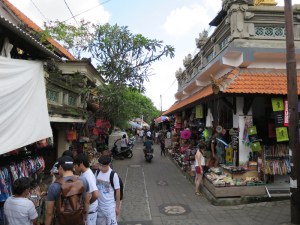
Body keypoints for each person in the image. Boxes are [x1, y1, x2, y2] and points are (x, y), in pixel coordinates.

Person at [45, 156, 90, 225]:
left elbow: (49, 213)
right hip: (79, 220)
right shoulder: (83, 181)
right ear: (73, 167)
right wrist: (85, 218)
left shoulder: (54, 186)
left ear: (60, 168)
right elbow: (87, 202)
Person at [74, 153, 100, 225]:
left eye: (75, 165)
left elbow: (96, 195)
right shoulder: (84, 173)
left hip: (90, 211)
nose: (74, 167)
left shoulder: (88, 176)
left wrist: (87, 203)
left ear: (81, 164)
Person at [96, 155, 120, 225]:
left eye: (104, 166)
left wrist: (117, 207)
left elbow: (118, 191)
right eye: (100, 165)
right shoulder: (97, 172)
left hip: (110, 207)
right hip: (99, 206)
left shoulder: (113, 175)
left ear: (109, 165)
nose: (101, 168)